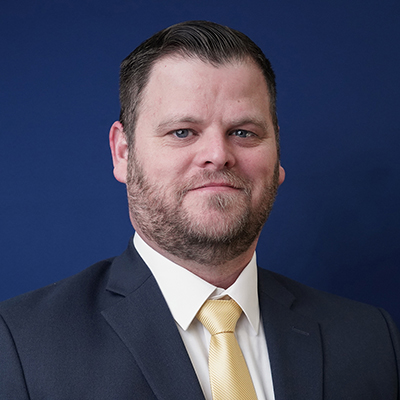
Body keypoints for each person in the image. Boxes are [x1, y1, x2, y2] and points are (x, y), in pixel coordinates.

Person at [0, 20, 399, 400]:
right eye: (182, 132)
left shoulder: (372, 340)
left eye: (244, 132)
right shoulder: (19, 345)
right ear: (123, 152)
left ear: (277, 154)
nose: (217, 155)